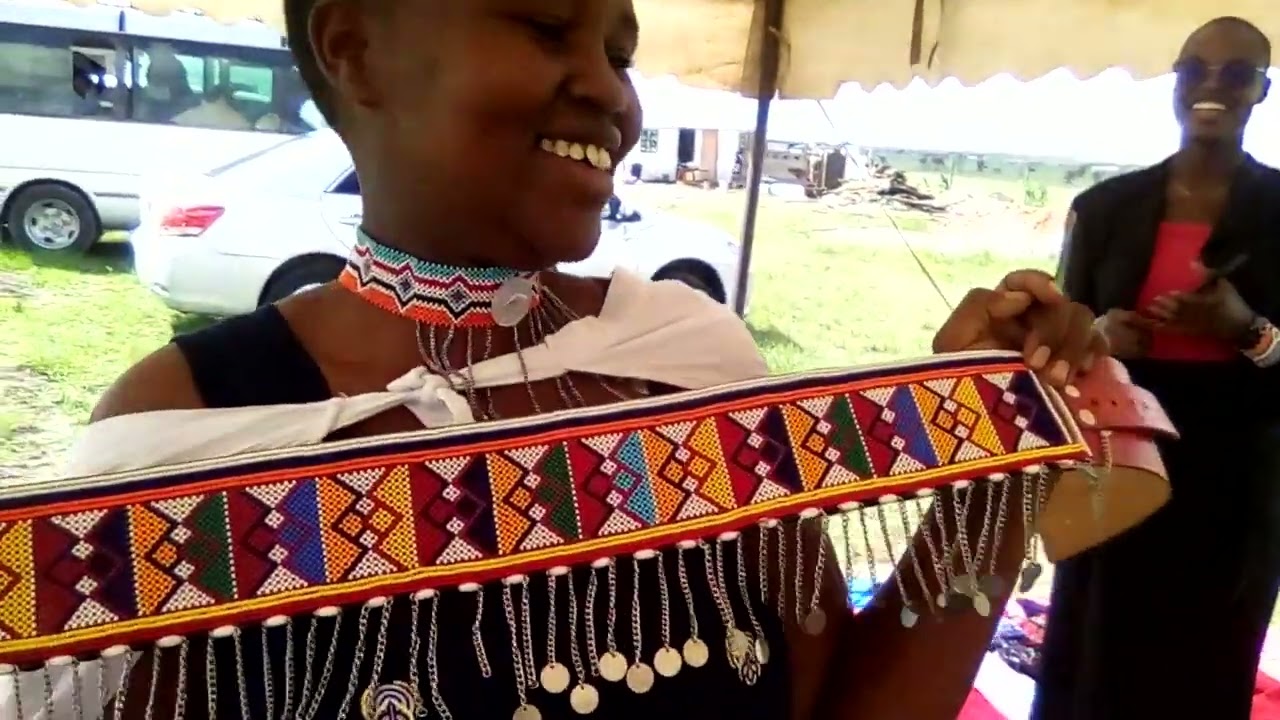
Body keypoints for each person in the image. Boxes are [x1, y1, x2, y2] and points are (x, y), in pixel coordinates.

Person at [72, 1, 1100, 718]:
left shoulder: (690, 361)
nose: (610, 92)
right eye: (544, 26)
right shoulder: (183, 435)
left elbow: (831, 704)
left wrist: (992, 469)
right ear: (356, 49)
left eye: (621, 50)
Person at [1036, 16, 1280, 720]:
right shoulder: (1106, 209)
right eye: (1195, 69)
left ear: (1261, 91)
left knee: (1204, 661)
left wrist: (1251, 332)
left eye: (1236, 74)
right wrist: (1098, 339)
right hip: (1118, 467)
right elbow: (1055, 343)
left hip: (1234, 489)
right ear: (1174, 84)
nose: (1213, 85)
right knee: (1094, 654)